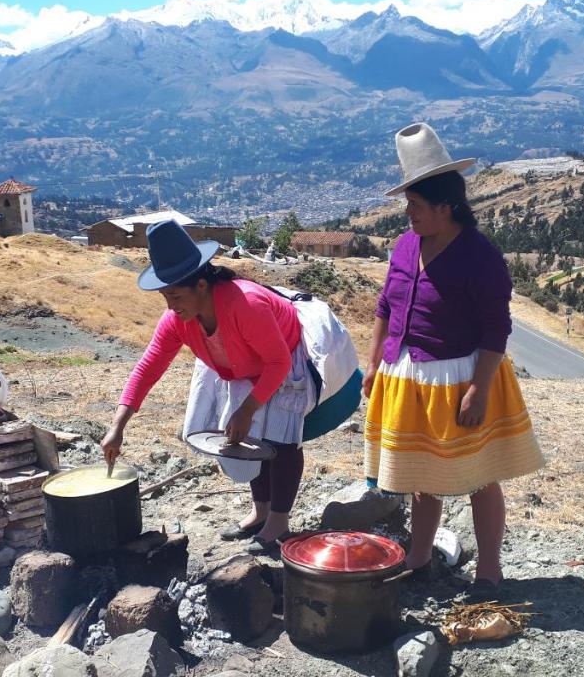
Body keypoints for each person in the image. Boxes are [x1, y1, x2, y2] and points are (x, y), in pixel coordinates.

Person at [102, 219, 361, 554]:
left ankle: (279, 524)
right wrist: (117, 426)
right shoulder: (178, 320)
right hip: (237, 364)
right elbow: (149, 366)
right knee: (250, 438)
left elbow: (278, 363)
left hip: (282, 355)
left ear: (202, 286)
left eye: (176, 295)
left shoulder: (245, 305)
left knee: (281, 440)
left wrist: (247, 408)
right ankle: (260, 512)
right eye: (165, 296)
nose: (170, 305)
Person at [364, 123, 545, 591]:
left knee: (480, 476)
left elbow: (495, 330)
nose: (408, 214)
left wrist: (478, 390)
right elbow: (386, 306)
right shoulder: (405, 246)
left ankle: (489, 571)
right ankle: (419, 557)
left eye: (416, 206)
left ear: (445, 206)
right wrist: (374, 364)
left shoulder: (479, 257)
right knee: (422, 475)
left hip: (461, 376)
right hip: (408, 377)